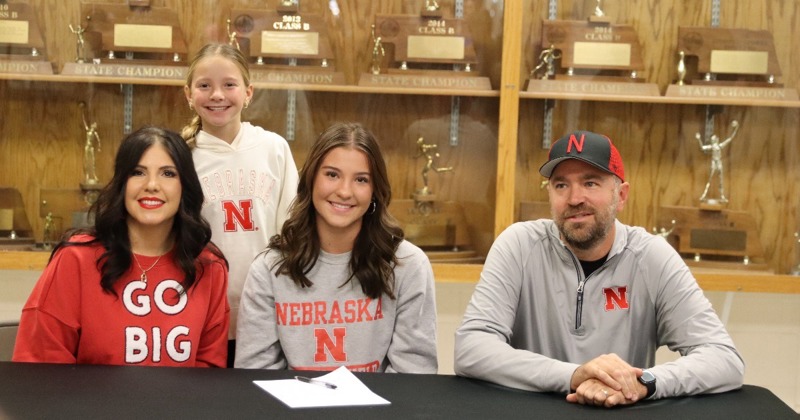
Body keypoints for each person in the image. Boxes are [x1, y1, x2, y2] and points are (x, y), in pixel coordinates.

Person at [454, 130, 744, 407]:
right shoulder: (518, 245)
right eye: (561, 185)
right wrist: (572, 375)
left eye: (590, 183)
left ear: (621, 195)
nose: (574, 198)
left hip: (621, 412)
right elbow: (472, 348)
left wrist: (644, 381)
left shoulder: (651, 256)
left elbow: (723, 358)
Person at [13, 126, 230, 367]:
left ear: (185, 186)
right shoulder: (75, 259)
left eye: (168, 174)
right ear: (122, 183)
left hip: (179, 405)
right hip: (85, 404)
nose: (152, 185)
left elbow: (209, 373)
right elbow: (40, 365)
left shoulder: (209, 266)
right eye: (138, 172)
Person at [235, 122, 438, 373]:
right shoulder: (269, 268)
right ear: (310, 180)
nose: (344, 191)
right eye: (332, 175)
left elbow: (413, 376)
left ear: (375, 191)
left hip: (378, 411)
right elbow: (256, 376)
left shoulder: (408, 265)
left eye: (361, 180)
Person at [182, 43, 299, 366]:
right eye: (204, 85)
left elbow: (292, 232)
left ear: (248, 92)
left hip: (264, 309)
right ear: (188, 94)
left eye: (229, 85)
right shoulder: (181, 156)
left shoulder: (273, 148)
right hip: (200, 309)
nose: (217, 94)